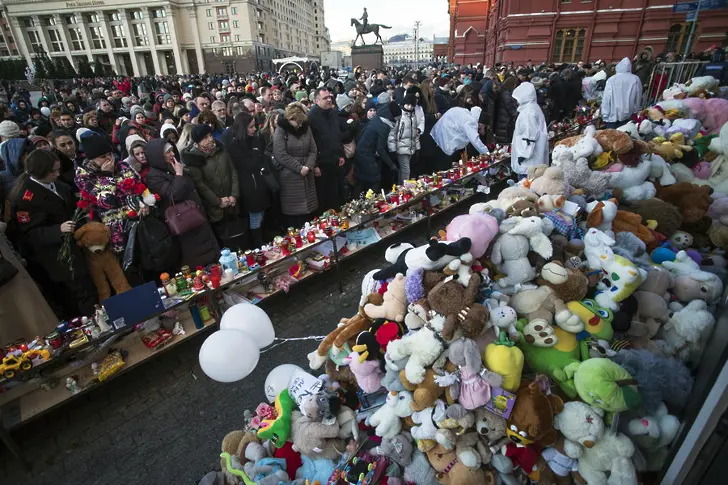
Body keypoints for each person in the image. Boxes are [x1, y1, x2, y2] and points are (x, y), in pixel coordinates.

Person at [11, 149, 98, 318]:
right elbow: (30, 235)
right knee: (83, 292)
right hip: (59, 255)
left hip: (79, 243)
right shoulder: (25, 198)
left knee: (91, 286)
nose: (58, 174)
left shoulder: (60, 185)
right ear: (40, 172)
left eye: (58, 169)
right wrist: (57, 230)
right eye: (53, 171)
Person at [144, 138, 219, 269]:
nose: (172, 154)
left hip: (199, 216)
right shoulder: (154, 177)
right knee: (199, 263)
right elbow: (174, 195)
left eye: (172, 150)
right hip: (185, 224)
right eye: (168, 152)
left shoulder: (174, 165)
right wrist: (179, 174)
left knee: (213, 257)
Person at [74, 134, 148, 254]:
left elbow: (140, 187)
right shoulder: (84, 177)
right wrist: (107, 176)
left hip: (138, 221)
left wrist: (144, 202)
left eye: (110, 154)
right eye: (103, 157)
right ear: (92, 159)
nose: (109, 159)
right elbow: (106, 202)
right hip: (115, 231)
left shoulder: (123, 166)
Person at [183, 124, 244, 249]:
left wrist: (234, 194)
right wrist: (218, 201)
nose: (210, 139)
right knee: (224, 241)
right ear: (198, 142)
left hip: (232, 203)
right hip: (215, 207)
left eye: (210, 135)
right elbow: (200, 185)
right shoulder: (194, 158)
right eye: (205, 138)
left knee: (239, 238)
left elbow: (232, 171)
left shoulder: (221, 149)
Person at [221, 112, 271, 249]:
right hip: (248, 189)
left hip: (259, 185)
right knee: (255, 219)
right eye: (251, 127)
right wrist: (256, 153)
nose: (254, 129)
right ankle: (257, 245)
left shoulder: (255, 140)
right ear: (243, 128)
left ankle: (262, 242)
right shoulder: (234, 146)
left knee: (261, 217)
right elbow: (249, 165)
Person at [273, 102, 319, 228]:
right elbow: (280, 153)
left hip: (307, 174)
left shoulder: (306, 127)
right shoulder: (281, 130)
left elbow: (313, 149)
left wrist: (309, 166)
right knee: (295, 215)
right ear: (290, 119)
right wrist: (299, 168)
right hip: (290, 177)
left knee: (309, 212)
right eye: (297, 122)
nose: (299, 125)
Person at [308, 87, 345, 212]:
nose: (329, 100)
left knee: (335, 196)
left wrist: (340, 154)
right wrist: (315, 165)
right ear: (317, 101)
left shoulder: (333, 113)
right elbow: (310, 143)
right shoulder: (312, 117)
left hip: (335, 160)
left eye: (330, 97)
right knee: (323, 198)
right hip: (321, 163)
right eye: (325, 98)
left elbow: (336, 136)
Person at [354, 94, 398, 193]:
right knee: (375, 180)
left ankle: (357, 202)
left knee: (361, 180)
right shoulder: (384, 126)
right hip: (366, 155)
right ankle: (372, 204)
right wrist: (392, 165)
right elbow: (380, 149)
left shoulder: (377, 119)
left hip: (361, 152)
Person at [510, 82, 549, 176]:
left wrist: (523, 155)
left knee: (526, 186)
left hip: (529, 162)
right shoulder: (534, 108)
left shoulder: (528, 113)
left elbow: (529, 135)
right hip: (535, 157)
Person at [602, 57, 643, 129]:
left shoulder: (612, 79)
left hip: (612, 114)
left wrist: (605, 112)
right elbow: (638, 96)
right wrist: (636, 110)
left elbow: (606, 97)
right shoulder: (635, 79)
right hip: (628, 113)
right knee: (624, 135)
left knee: (611, 137)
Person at [388, 93, 420, 183]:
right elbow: (393, 133)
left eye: (412, 105)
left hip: (410, 147)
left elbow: (415, 134)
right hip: (401, 147)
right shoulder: (400, 115)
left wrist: (417, 148)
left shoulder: (413, 117)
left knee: (403, 170)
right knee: (406, 170)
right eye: (408, 104)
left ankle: (401, 187)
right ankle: (404, 188)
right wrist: (393, 149)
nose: (409, 107)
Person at [494, 76, 519, 144]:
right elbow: (510, 108)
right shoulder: (506, 94)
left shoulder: (505, 92)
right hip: (505, 120)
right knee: (504, 141)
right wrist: (517, 114)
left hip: (505, 120)